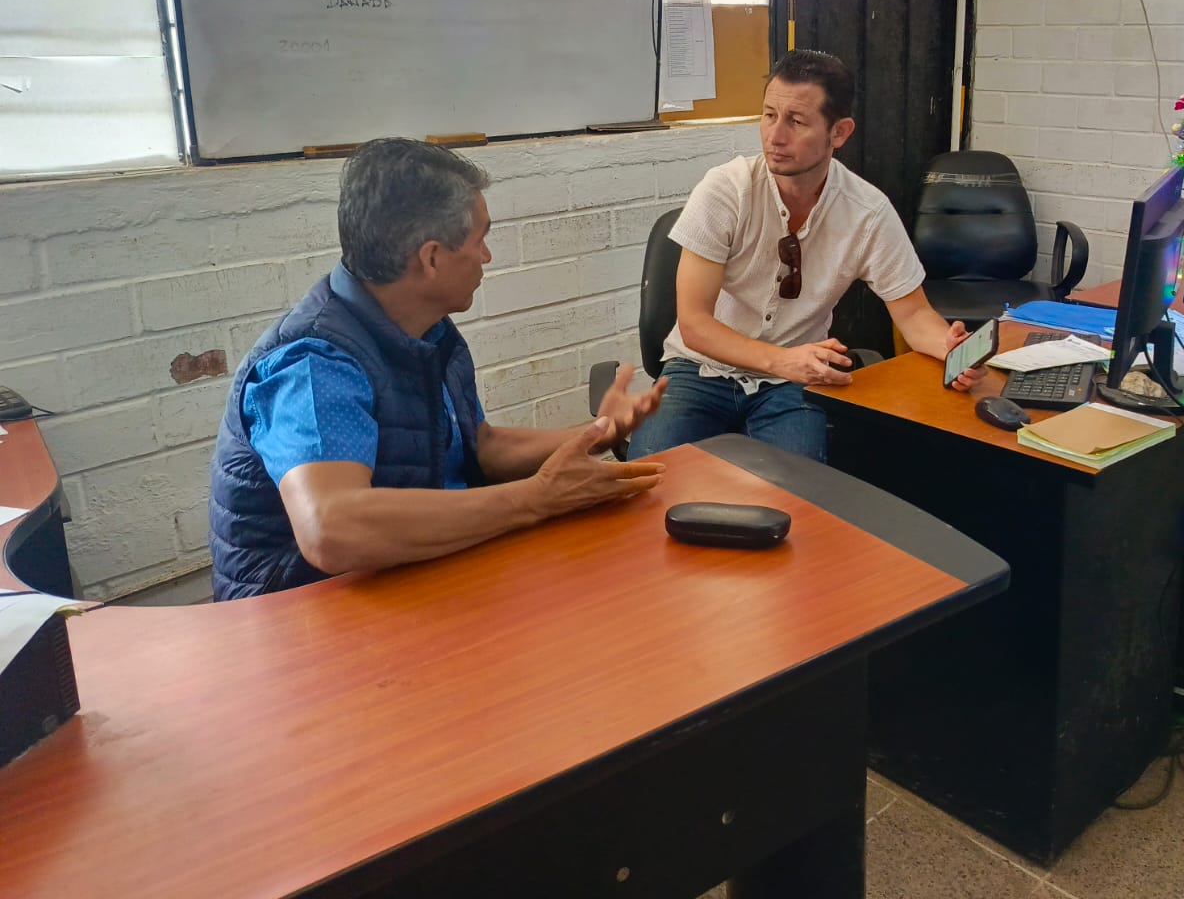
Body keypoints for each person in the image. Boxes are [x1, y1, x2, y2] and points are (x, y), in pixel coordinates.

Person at [209, 138, 666, 600]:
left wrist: (597, 433)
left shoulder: (424, 328)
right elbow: (331, 528)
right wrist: (538, 498)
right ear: (431, 258)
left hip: (409, 576)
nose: (487, 256)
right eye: (480, 240)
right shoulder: (314, 363)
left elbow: (479, 446)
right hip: (303, 614)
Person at [626, 50, 982, 465]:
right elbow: (695, 326)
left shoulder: (867, 212)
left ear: (839, 132)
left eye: (796, 121)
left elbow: (915, 315)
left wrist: (951, 349)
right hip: (700, 369)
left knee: (800, 495)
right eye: (769, 115)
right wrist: (783, 361)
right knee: (648, 483)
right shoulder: (726, 190)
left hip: (791, 384)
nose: (775, 137)